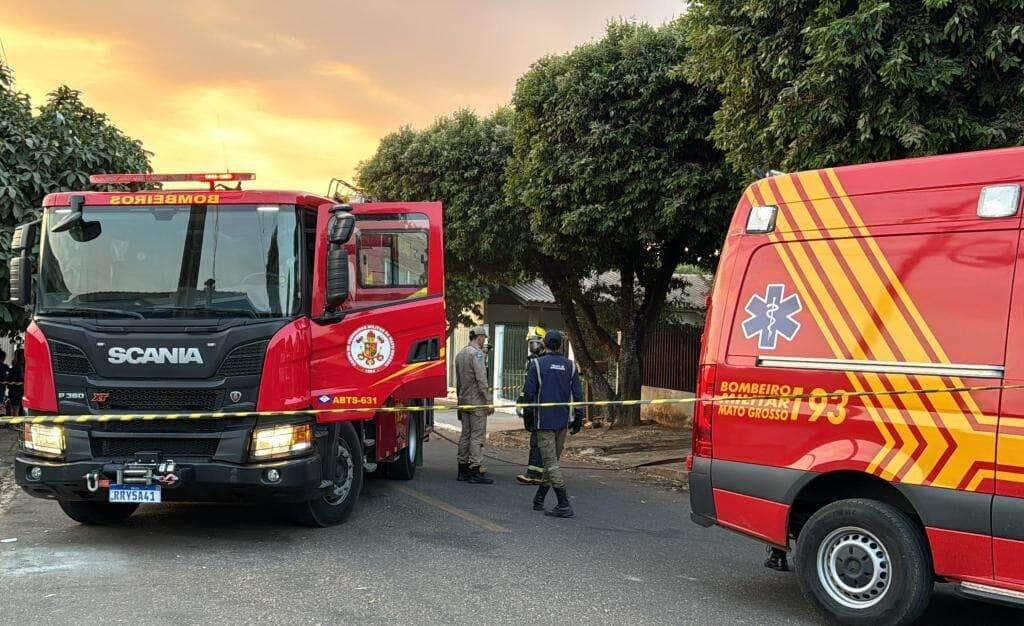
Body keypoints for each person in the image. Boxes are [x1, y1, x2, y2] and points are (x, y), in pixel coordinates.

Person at [521, 329, 583, 518]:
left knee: (551, 464)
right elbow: (579, 395)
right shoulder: (570, 366)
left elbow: (529, 394)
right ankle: (539, 499)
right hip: (562, 422)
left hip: (544, 422)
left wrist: (528, 418)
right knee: (552, 462)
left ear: (545, 344)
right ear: (561, 345)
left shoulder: (537, 365)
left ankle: (564, 503)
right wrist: (578, 417)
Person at [454, 326, 494, 484]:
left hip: (464, 400)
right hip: (477, 401)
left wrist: (459, 399)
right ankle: (475, 470)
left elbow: (458, 381)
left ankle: (462, 470)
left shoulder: (460, 354)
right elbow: (481, 380)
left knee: (465, 435)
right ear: (479, 337)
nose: (484, 340)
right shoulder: (476, 354)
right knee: (477, 437)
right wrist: (489, 400)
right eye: (484, 337)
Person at [515, 324, 547, 485]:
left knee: (537, 440)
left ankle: (535, 473)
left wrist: (523, 404)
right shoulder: (534, 361)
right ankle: (539, 472)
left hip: (537, 406)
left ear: (542, 342)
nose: (531, 346)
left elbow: (530, 387)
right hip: (537, 406)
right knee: (539, 439)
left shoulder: (539, 362)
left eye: (533, 342)